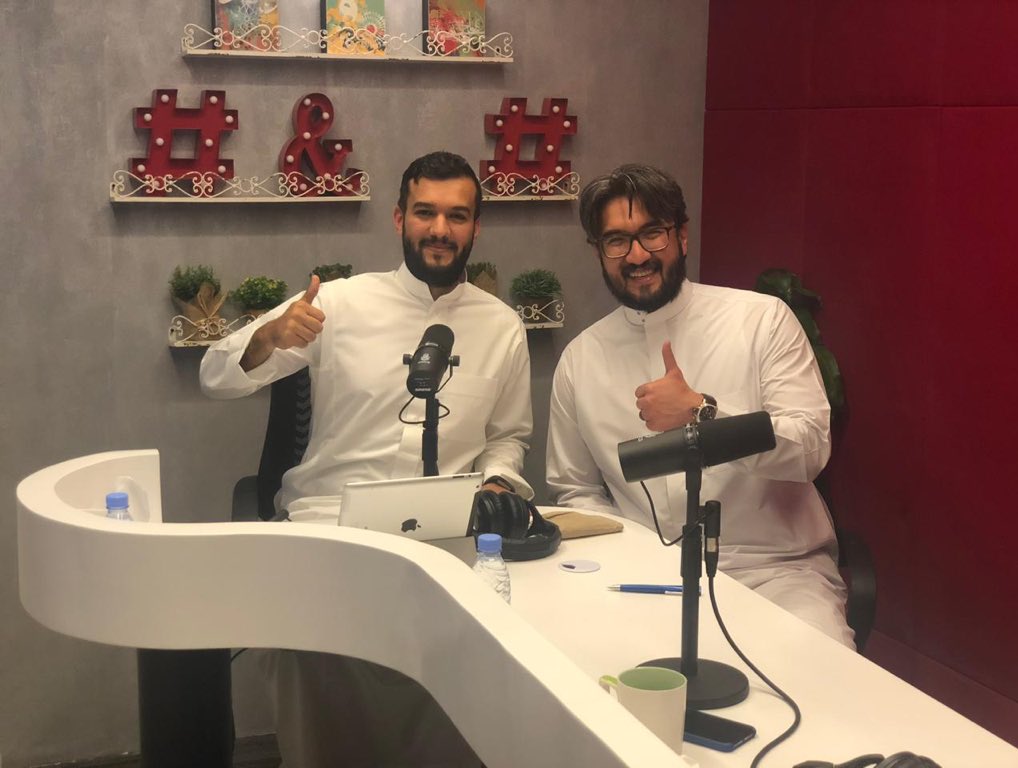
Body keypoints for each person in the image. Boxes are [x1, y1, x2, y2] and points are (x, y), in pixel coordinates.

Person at [200, 150, 532, 766]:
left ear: (476, 227)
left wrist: (498, 482)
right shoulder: (337, 303)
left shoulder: (502, 325)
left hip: (447, 536)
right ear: (399, 218)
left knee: (492, 651)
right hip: (330, 525)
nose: (440, 229)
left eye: (457, 216)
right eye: (425, 212)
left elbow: (508, 437)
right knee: (308, 644)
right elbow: (214, 376)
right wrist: (269, 336)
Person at [546, 163, 855, 648]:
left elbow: (810, 449)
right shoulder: (580, 360)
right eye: (617, 241)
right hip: (644, 577)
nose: (637, 255)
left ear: (682, 236)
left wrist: (702, 413)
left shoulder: (761, 321)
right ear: (599, 252)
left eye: (652, 233)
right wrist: (629, 553)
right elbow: (575, 490)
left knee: (817, 678)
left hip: (774, 573)